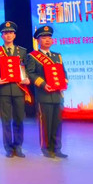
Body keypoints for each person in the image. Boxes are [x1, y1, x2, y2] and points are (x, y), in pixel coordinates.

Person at [26, 25, 69, 159]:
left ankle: (57, 148)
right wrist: (44, 84)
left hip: (57, 94)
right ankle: (46, 148)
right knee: (46, 123)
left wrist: (64, 83)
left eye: (49, 37)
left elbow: (63, 72)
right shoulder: (33, 56)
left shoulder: (57, 56)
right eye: (44, 37)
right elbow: (31, 74)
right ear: (38, 40)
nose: (47, 40)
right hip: (43, 94)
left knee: (57, 123)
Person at [0, 21, 31, 158]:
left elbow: (27, 68)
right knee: (6, 120)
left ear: (14, 35)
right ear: (2, 36)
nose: (8, 35)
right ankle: (8, 147)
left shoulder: (22, 51)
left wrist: (27, 78)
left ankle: (18, 146)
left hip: (19, 89)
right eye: (5, 33)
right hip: (4, 89)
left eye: (11, 33)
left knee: (19, 119)